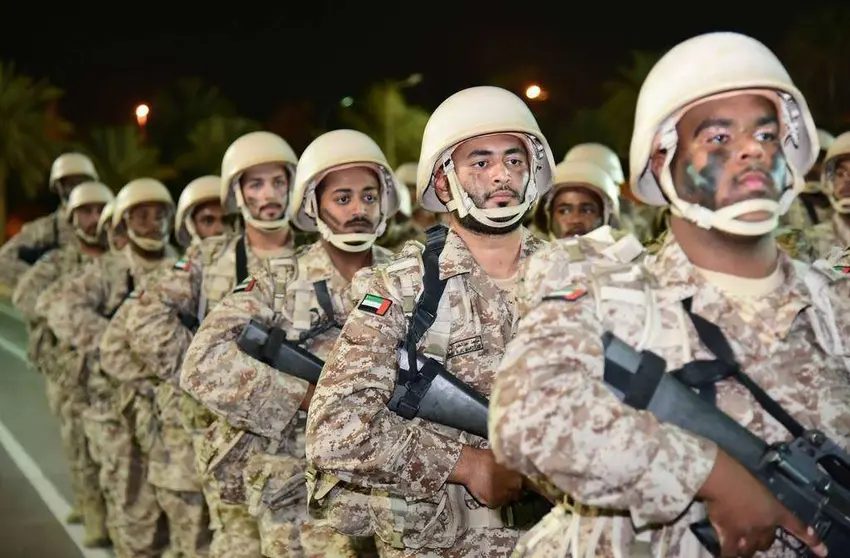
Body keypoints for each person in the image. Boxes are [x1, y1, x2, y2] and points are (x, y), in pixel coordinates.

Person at [489, 32, 848, 558]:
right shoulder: (605, 291)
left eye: (767, 134)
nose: (751, 148)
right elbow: (525, 416)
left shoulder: (834, 308)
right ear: (662, 160)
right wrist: (707, 474)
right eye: (719, 138)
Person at [305, 86, 554, 557]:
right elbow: (335, 429)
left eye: (514, 160)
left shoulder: (575, 280)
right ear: (444, 184)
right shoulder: (401, 288)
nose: (501, 174)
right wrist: (467, 465)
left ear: (534, 171)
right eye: (480, 162)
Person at [181, 129, 397, 557]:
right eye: (343, 198)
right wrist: (305, 396)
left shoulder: (408, 276)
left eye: (369, 197)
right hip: (300, 492)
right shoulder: (278, 279)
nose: (358, 209)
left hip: (391, 483)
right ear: (315, 205)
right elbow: (202, 364)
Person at [124, 131, 301, 557]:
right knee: (236, 547)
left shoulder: (318, 253)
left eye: (278, 182)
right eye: (255, 184)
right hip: (233, 440)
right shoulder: (209, 256)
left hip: (303, 443)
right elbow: (144, 317)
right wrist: (207, 377)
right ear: (237, 194)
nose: (269, 195)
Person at [13, 181, 114, 547]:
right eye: (85, 212)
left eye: (100, 210)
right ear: (73, 219)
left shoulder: (121, 255)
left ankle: (115, 516)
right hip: (73, 374)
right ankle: (94, 516)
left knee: (117, 454)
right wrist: (57, 334)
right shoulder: (60, 261)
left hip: (112, 376)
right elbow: (26, 298)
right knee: (79, 447)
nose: (94, 219)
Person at [0, 152, 98, 290]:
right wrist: (40, 283)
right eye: (69, 183)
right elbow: (4, 261)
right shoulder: (45, 228)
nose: (76, 188)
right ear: (58, 187)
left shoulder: (107, 224)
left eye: (81, 181)